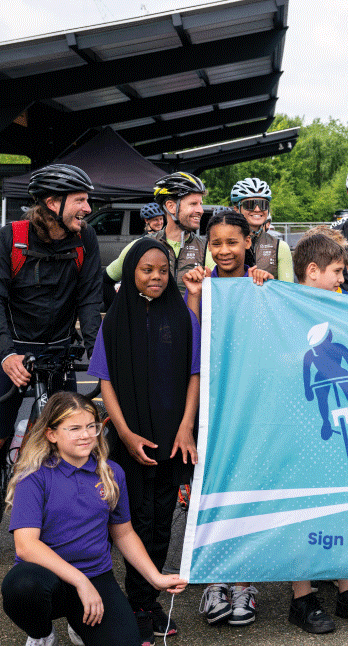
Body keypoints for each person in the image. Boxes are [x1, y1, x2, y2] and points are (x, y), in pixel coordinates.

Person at [2, 392, 187, 646]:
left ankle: (81, 624)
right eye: (74, 428)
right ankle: (41, 632)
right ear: (51, 434)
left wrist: (156, 577)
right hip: (46, 579)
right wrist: (80, 581)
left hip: (95, 575)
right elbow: (26, 545)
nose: (86, 434)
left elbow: (123, 533)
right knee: (21, 586)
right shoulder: (34, 476)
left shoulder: (111, 473)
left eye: (92, 426)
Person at [86, 238, 199, 643]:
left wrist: (186, 427)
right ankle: (133, 604)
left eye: (162, 270)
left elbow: (194, 375)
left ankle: (150, 603)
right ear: (131, 271)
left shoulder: (183, 317)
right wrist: (126, 434)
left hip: (172, 440)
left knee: (162, 524)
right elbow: (105, 381)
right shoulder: (115, 319)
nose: (156, 276)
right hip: (131, 441)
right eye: (146, 269)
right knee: (133, 522)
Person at [285, 231, 348, 633]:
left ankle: (347, 589)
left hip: (344, 417)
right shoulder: (284, 306)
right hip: (300, 423)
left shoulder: (344, 306)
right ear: (312, 271)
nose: (344, 279)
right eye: (338, 271)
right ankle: (302, 598)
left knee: (347, 501)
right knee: (304, 505)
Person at [183, 212, 273, 629]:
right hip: (210, 403)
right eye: (215, 243)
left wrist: (268, 289)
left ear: (248, 241)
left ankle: (244, 583)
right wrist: (196, 294)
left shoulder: (262, 284)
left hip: (250, 401)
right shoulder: (202, 285)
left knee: (250, 490)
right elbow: (190, 338)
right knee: (212, 487)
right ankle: (214, 581)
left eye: (232, 242)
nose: (223, 251)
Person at [0, 164, 102, 451]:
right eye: (80, 200)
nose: (87, 208)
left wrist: (99, 356)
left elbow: (90, 299)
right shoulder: (11, 238)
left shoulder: (86, 238)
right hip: (13, 349)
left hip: (60, 351)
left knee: (66, 439)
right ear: (53, 202)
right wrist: (6, 354)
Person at [105, 172, 207, 299]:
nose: (201, 210)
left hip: (190, 319)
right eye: (193, 204)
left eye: (200, 204)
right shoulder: (141, 246)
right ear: (170, 206)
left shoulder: (206, 248)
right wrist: (120, 314)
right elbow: (105, 280)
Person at [226, 177, 294, 281]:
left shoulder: (280, 247)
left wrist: (269, 281)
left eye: (263, 204)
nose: (257, 209)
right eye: (250, 204)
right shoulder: (222, 244)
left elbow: (286, 291)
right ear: (236, 209)